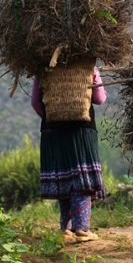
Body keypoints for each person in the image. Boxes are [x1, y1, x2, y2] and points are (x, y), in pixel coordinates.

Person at [30, 66, 107, 243]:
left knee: (63, 179)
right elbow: (99, 98)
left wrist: (51, 116)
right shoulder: (89, 67)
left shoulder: (43, 68)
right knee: (82, 180)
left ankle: (66, 229)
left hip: (52, 131)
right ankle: (82, 229)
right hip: (81, 129)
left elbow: (35, 102)